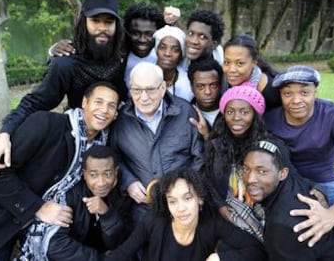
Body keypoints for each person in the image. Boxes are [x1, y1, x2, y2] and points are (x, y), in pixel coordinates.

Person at [0, 81, 120, 261]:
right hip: (2, 224)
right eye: (98, 102)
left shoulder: (103, 147)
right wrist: (38, 207)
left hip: (58, 230)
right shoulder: (45, 124)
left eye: (111, 105)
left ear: (116, 113)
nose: (104, 110)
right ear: (84, 102)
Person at [0, 0, 126, 174]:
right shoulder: (66, 64)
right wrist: (4, 134)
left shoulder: (123, 52)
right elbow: (35, 102)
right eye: (95, 20)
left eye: (108, 22)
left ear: (117, 25)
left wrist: (169, 21)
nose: (102, 28)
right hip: (79, 140)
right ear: (84, 22)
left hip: (120, 135)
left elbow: (150, 35)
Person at [263, 65, 334, 260]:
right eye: (288, 93)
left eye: (304, 92)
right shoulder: (270, 121)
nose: (296, 100)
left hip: (329, 186)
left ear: (316, 92)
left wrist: (333, 214)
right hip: (286, 187)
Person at [104, 168, 267, 261]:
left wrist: (221, 258)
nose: (180, 208)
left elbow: (256, 250)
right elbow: (122, 253)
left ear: (200, 199)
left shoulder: (212, 222)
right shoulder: (153, 221)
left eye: (187, 198)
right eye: (173, 201)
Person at [110, 62, 204, 222]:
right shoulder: (121, 119)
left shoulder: (185, 111)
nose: (144, 97)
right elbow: (114, 157)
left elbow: (200, 157)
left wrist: (186, 191)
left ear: (162, 88)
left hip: (183, 208)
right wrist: (128, 182)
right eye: (137, 90)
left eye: (150, 89)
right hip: (143, 209)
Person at [242, 138, 334, 260]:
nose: (250, 179)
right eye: (246, 169)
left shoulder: (282, 225)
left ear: (283, 173)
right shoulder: (294, 183)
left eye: (262, 171)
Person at [203, 85, 270, 241]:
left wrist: (316, 189)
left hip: (260, 213)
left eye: (244, 112)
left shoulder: (267, 146)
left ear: (255, 115)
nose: (236, 117)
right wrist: (220, 206)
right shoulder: (215, 145)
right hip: (226, 214)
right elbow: (207, 181)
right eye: (230, 111)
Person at [44, 145, 133, 260]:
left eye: (107, 174)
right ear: (84, 174)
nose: (101, 183)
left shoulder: (122, 196)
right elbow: (55, 246)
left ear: (116, 172)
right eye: (93, 175)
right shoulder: (70, 195)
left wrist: (107, 214)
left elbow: (119, 243)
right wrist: (98, 259)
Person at [223, 34, 281, 111]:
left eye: (240, 63)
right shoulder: (226, 84)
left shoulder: (272, 91)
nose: (231, 69)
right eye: (227, 62)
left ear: (254, 63)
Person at [153, 25, 194, 101]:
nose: (167, 53)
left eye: (175, 50)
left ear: (181, 55)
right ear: (156, 50)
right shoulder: (144, 75)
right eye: (162, 48)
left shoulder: (187, 84)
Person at [187, 57, 223, 139]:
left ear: (220, 85)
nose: (208, 92)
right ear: (192, 87)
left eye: (213, 85)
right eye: (201, 86)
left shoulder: (230, 112)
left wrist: (207, 135)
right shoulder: (186, 114)